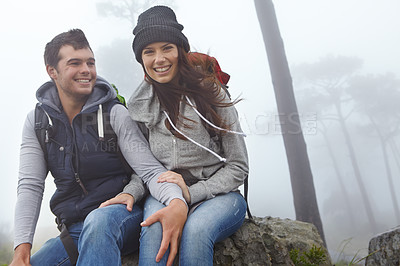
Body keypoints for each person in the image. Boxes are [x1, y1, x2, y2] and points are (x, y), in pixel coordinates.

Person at [10, 29, 187, 266]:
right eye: (75, 63)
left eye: (90, 63)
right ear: (52, 71)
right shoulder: (38, 122)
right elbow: (30, 186)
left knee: (99, 221)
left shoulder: (114, 113)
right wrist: (21, 251)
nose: (86, 70)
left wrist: (177, 203)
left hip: (124, 215)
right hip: (76, 228)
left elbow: (150, 171)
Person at [128, 5, 249, 266]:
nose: (158, 59)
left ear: (181, 51)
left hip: (220, 196)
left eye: (167, 48)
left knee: (196, 230)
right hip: (163, 192)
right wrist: (131, 192)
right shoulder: (141, 104)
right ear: (141, 59)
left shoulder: (211, 93)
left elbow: (239, 166)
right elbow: (143, 167)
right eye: (149, 52)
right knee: (153, 230)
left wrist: (191, 196)